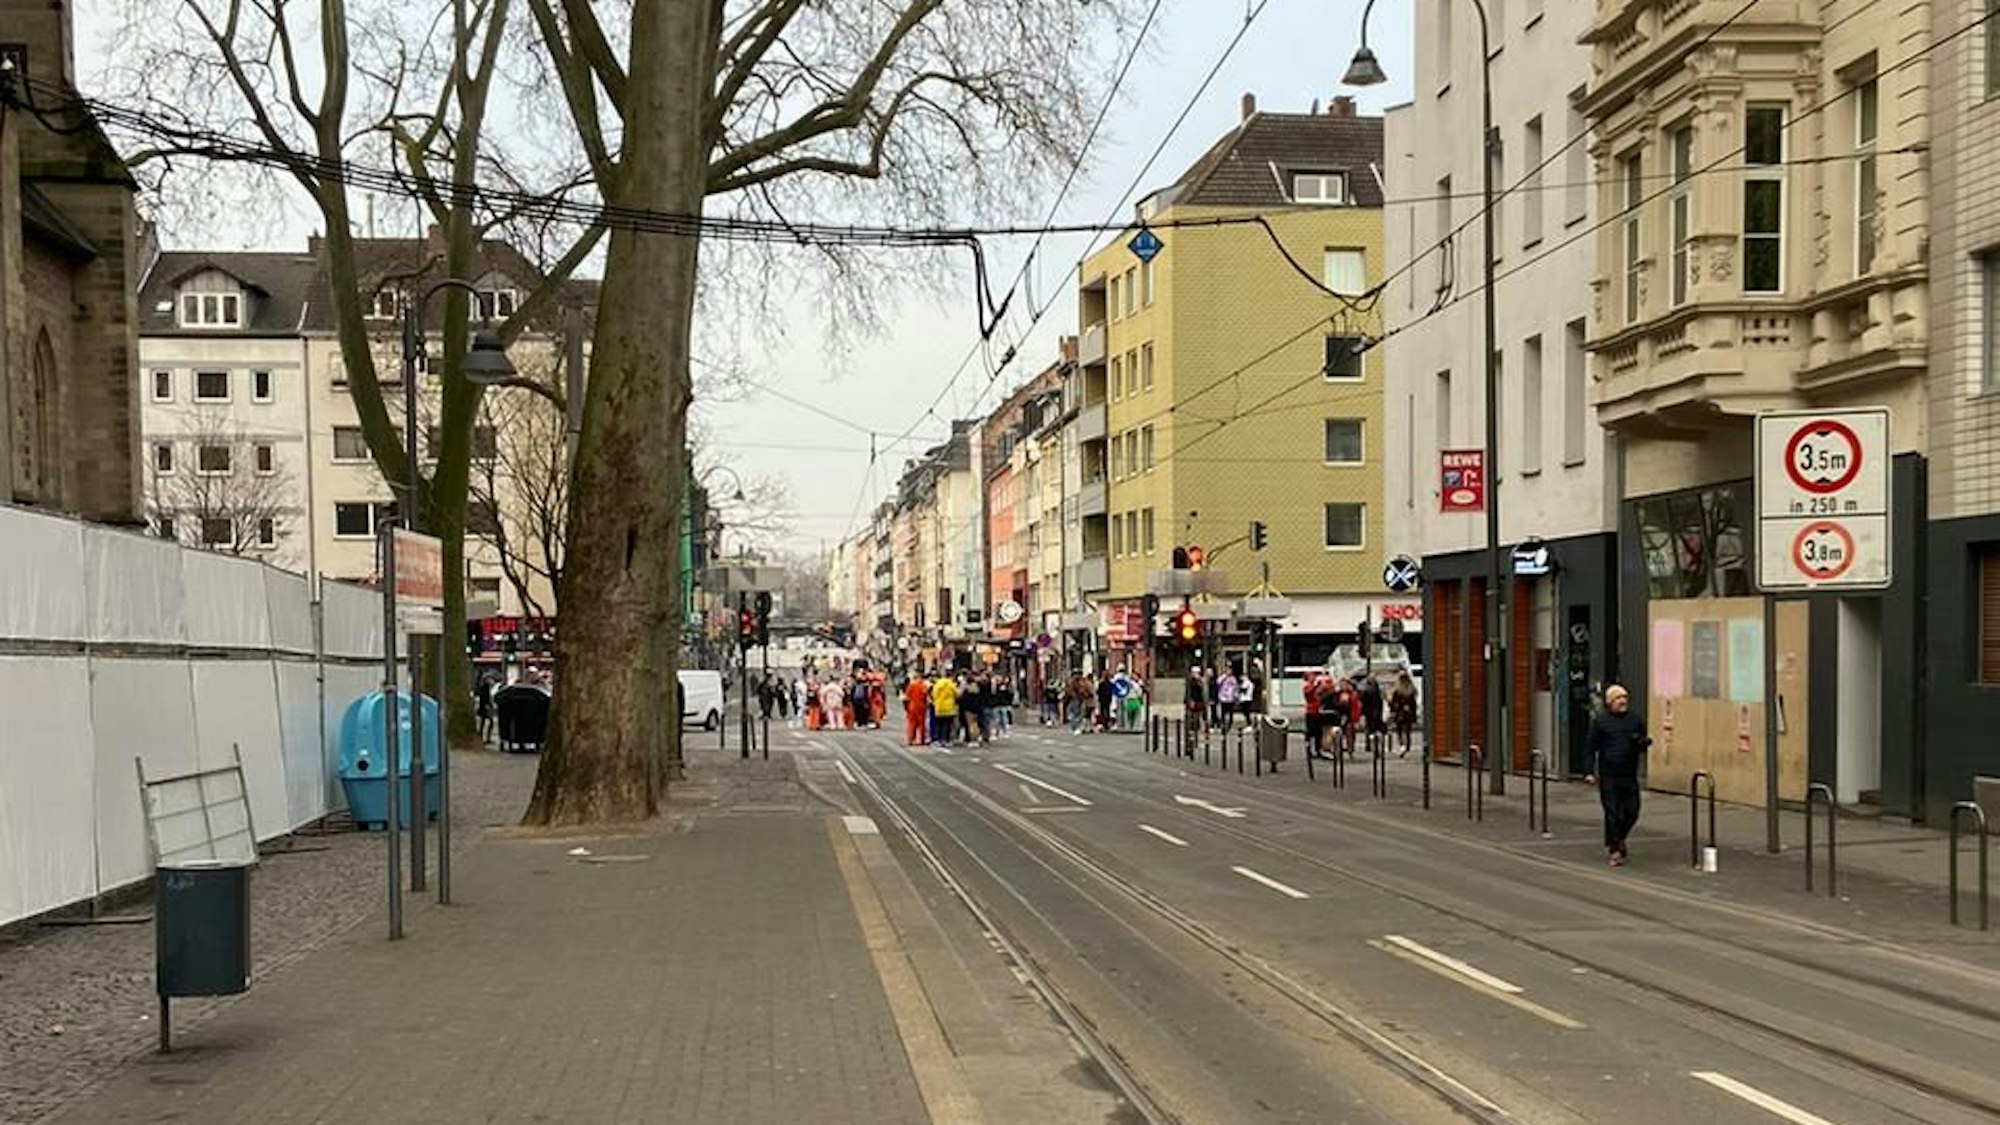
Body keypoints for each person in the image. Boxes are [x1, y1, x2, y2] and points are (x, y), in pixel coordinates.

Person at [1587, 684, 1650, 866]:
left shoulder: (1635, 719)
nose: (1622, 701)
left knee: (1632, 812)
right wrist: (1589, 771)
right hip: (1608, 774)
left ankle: (1619, 838)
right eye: (1617, 699)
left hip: (1629, 774)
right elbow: (1591, 747)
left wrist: (1642, 742)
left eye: (1624, 698)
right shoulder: (1601, 721)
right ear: (1609, 702)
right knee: (1613, 813)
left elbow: (1641, 742)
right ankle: (1615, 849)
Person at [1389, 672, 1419, 756]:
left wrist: (1392, 710)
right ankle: (1407, 746)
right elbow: (1414, 704)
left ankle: (1402, 746)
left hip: (1399, 713)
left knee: (1399, 730)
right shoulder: (1411, 689)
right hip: (1409, 714)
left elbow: (1393, 703)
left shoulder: (1397, 690)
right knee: (1407, 731)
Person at [1359, 674, 1386, 755]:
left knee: (1369, 729)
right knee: (1376, 730)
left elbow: (1362, 702)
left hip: (1369, 713)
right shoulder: (1378, 691)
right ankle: (1375, 746)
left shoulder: (1366, 691)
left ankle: (1369, 745)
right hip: (1377, 713)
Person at [930, 672, 958, 746]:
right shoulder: (951, 684)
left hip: (939, 706)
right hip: (949, 707)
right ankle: (946, 740)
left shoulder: (938, 684)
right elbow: (956, 694)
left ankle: (939, 740)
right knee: (947, 724)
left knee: (939, 724)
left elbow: (934, 694)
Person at [904, 673, 930, 746]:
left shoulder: (911, 685)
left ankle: (911, 739)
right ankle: (922, 739)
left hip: (912, 706)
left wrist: (906, 707)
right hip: (921, 706)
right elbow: (926, 696)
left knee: (912, 723)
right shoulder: (924, 686)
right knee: (921, 724)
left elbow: (906, 697)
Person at [1215, 670, 1239, 734]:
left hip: (1230, 698)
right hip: (1223, 698)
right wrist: (1224, 677)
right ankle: (1223, 725)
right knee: (1223, 712)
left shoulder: (1233, 679)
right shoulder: (1222, 677)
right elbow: (1218, 682)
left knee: (1230, 712)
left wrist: (1236, 696)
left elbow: (1236, 687)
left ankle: (1230, 725)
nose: (1229, 672)